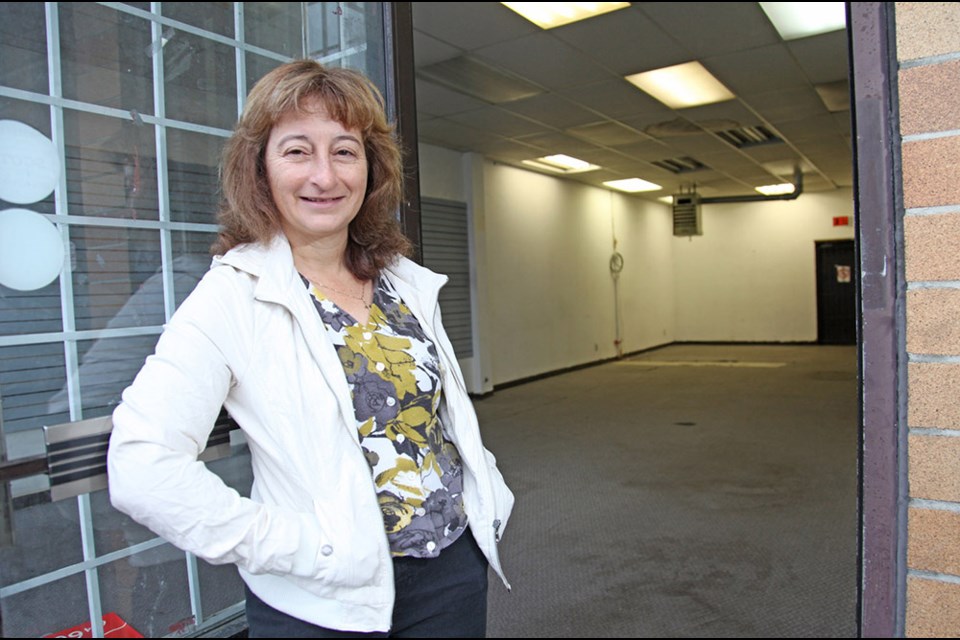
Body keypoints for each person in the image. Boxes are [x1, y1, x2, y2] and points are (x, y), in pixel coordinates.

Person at [106, 59, 514, 638]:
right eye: (297, 151)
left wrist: (487, 492)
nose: (325, 176)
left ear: (371, 170)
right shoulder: (234, 294)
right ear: (261, 169)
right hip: (324, 600)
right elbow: (141, 466)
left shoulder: (401, 281)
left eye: (345, 151)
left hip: (451, 570)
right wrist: (304, 547)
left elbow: (436, 420)